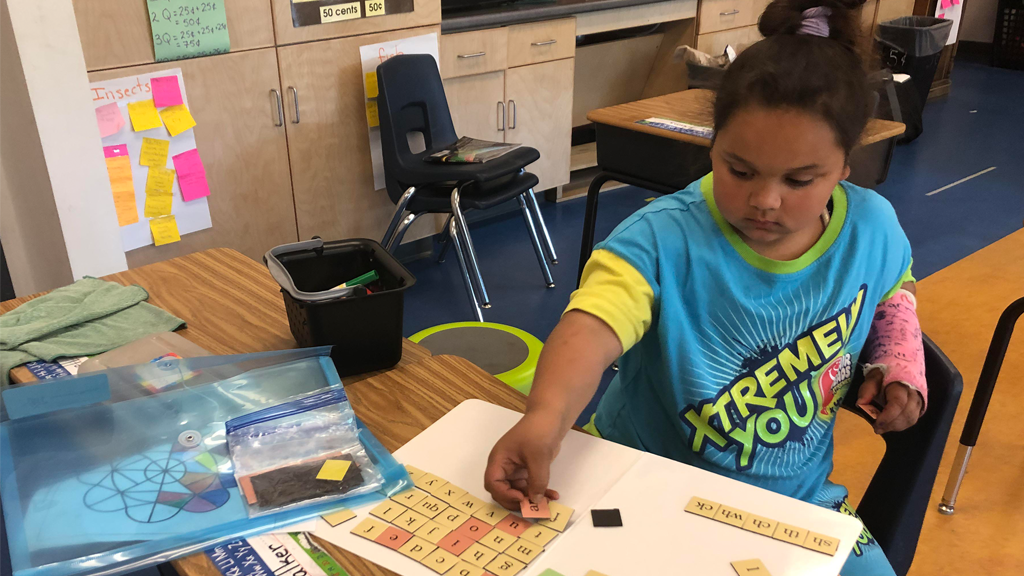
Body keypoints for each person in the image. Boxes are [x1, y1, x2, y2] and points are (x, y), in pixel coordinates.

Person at [483, 0, 929, 574]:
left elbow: (895, 289)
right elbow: (591, 326)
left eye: (799, 180)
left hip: (793, 504)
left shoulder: (873, 226)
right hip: (642, 479)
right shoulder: (663, 237)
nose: (765, 200)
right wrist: (544, 420)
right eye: (739, 170)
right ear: (711, 145)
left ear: (845, 166)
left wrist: (897, 361)